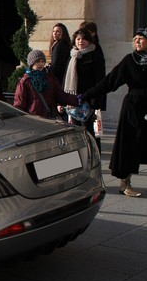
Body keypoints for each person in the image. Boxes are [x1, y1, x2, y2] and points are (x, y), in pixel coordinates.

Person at [81, 28, 147, 197]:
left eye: (141, 38)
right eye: (136, 38)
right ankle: (125, 183)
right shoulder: (129, 60)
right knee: (129, 144)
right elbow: (109, 82)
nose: (138, 41)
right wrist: (87, 95)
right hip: (133, 106)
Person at [63, 28, 106, 139]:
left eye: (83, 39)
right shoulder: (73, 56)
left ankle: (92, 155)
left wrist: (95, 102)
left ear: (89, 41)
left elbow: (100, 81)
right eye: (78, 39)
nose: (80, 41)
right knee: (75, 132)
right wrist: (63, 99)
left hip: (89, 100)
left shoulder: (95, 57)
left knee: (90, 133)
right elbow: (66, 79)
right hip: (73, 100)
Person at [13, 50, 78, 118]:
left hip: (50, 118)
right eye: (37, 61)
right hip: (33, 120)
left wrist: (77, 100)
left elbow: (61, 96)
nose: (41, 64)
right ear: (31, 63)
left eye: (42, 61)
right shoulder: (25, 81)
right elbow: (19, 104)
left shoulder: (51, 79)